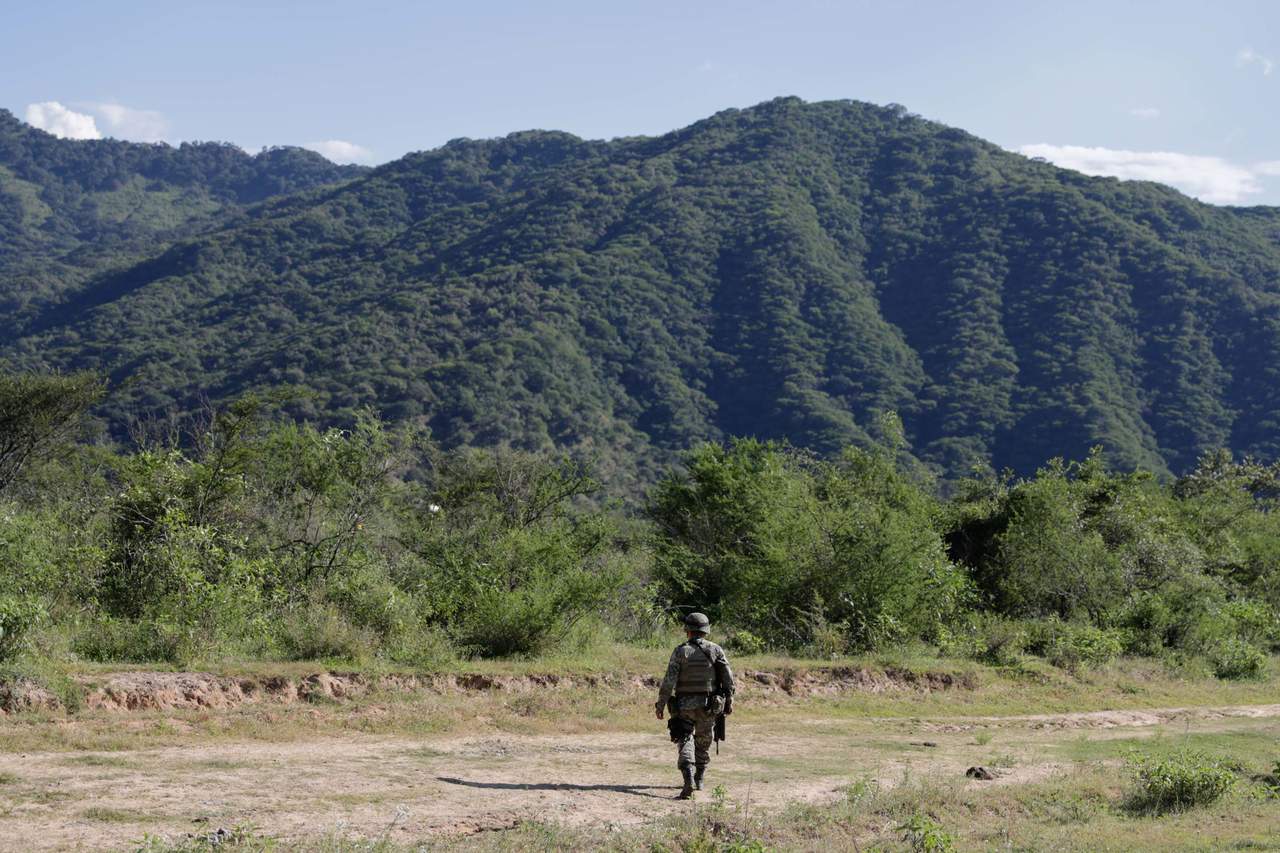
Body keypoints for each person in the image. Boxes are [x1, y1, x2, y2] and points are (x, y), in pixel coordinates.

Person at [654, 612, 735, 799]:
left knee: (684, 739)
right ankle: (699, 778)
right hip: (709, 706)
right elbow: (728, 679)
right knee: (704, 741)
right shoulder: (716, 650)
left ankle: (688, 779)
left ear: (687, 630)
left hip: (684, 706)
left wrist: (661, 704)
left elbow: (668, 681)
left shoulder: (680, 651)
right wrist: (729, 702)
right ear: (706, 631)